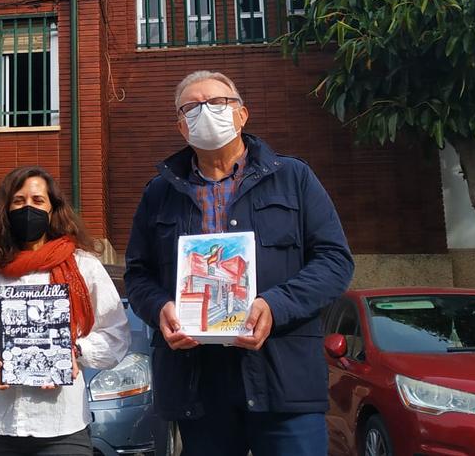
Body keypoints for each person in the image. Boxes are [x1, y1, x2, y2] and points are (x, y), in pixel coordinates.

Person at [123, 70, 354, 456]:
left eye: (217, 103)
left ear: (242, 114)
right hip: (197, 383)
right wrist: (159, 308)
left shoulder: (294, 178)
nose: (204, 112)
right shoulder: (159, 193)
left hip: (283, 379)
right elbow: (139, 273)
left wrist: (274, 305)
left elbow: (334, 262)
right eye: (191, 107)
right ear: (181, 125)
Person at [0, 166, 130, 455]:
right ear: (5, 211)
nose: (28, 208)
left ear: (53, 210)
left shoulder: (84, 266)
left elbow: (116, 334)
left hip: (62, 424)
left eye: (38, 201)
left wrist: (73, 351)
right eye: (18, 201)